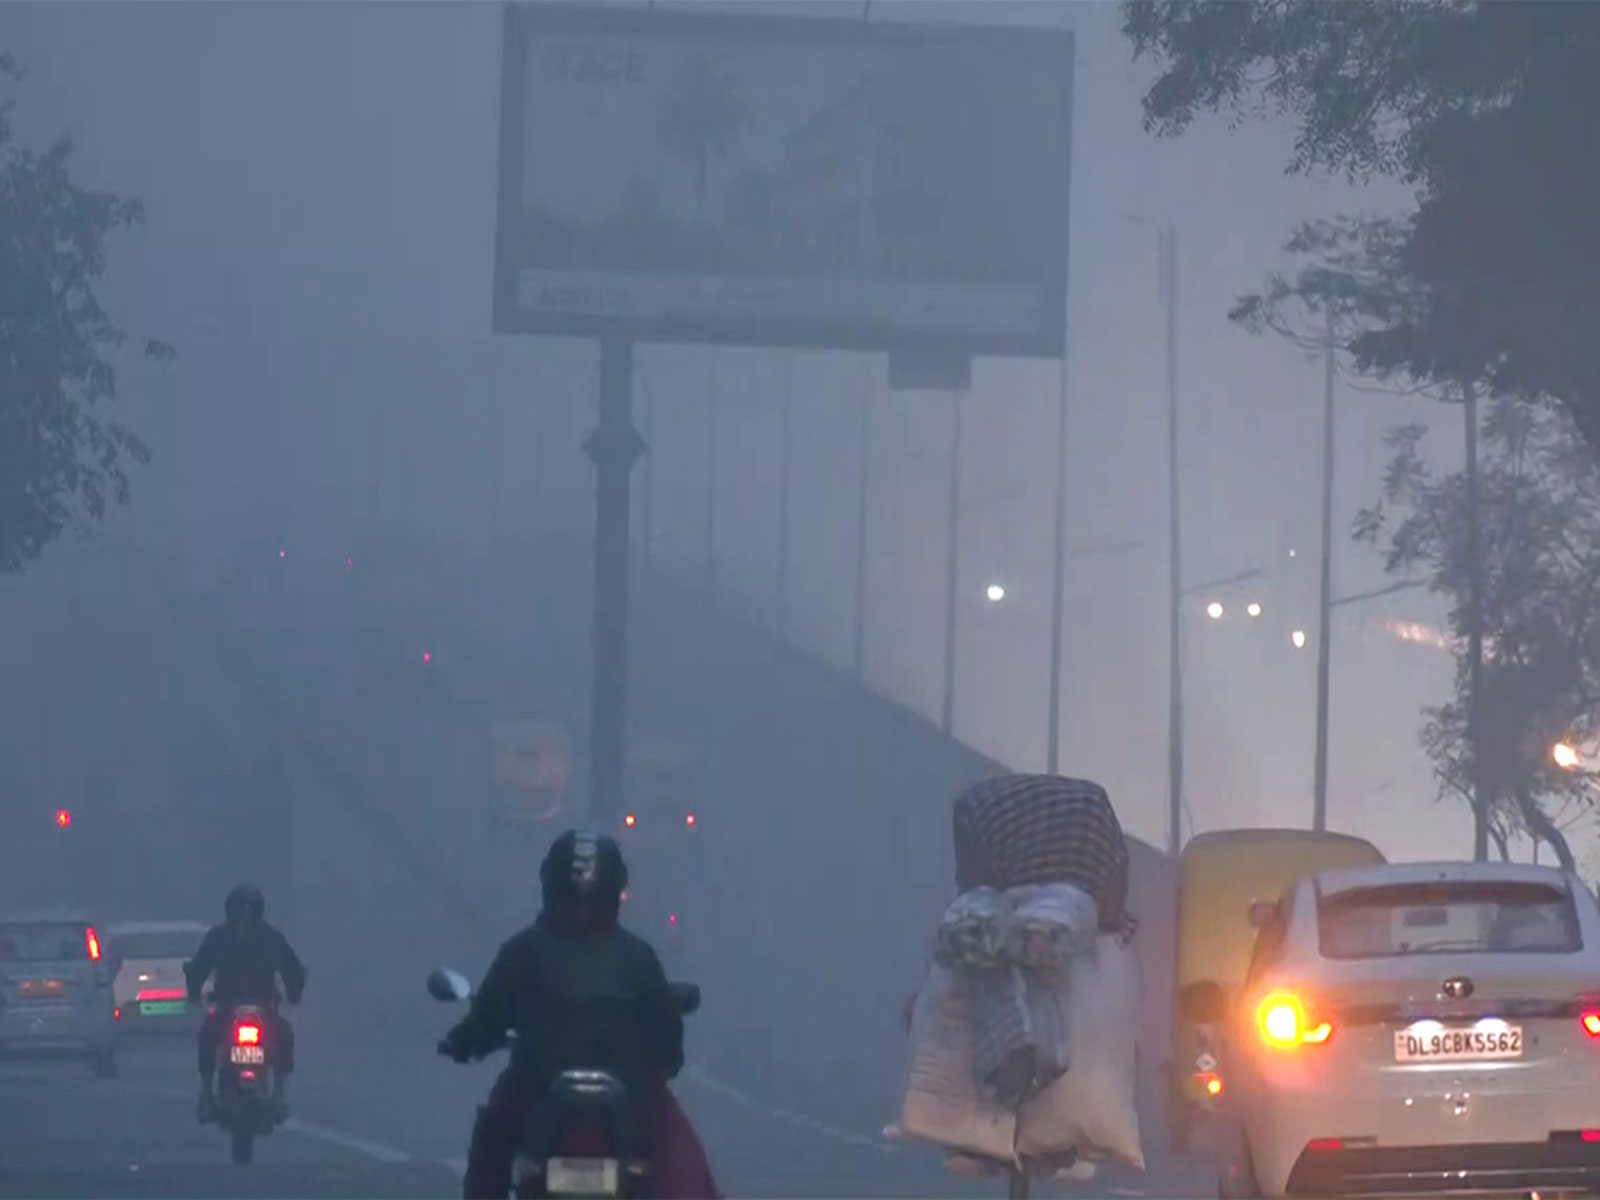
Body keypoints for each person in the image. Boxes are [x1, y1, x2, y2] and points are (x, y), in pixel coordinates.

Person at [439, 829, 717, 1200]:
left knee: (493, 1137)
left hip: (537, 1091)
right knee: (680, 1156)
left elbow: (486, 1019)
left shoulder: (523, 951)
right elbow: (667, 1036)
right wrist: (664, 1063)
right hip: (623, 1100)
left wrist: (461, 1042)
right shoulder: (638, 957)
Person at [185, 883, 307, 1123]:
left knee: (281, 1035)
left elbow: (198, 969)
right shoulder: (267, 937)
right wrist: (293, 993)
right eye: (242, 910)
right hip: (243, 1007)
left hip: (246, 1007)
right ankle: (211, 1092)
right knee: (210, 1036)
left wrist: (194, 993)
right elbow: (294, 970)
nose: (245, 916)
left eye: (249, 910)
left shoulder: (224, 936)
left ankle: (276, 1093)